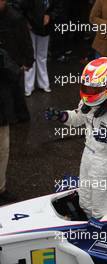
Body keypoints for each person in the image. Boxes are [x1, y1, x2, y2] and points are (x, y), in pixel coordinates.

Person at [45, 57, 107, 219]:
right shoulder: (87, 104)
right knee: (84, 202)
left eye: (93, 89)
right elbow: (77, 118)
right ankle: (85, 223)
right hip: (88, 157)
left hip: (105, 164)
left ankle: (105, 233)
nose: (89, 92)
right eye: (87, 87)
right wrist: (61, 116)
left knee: (100, 209)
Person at [0, 0, 34, 205]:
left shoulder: (15, 17)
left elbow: (23, 39)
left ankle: (1, 186)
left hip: (4, 90)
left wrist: (24, 62)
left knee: (3, 144)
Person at [12, 0, 60, 96]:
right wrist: (25, 21)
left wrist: (50, 15)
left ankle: (42, 84)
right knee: (31, 55)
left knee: (42, 56)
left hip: (44, 26)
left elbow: (57, 6)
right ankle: (29, 86)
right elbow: (19, 6)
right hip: (31, 24)